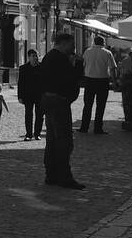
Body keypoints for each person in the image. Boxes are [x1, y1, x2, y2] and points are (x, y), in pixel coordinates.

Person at [39, 32, 84, 189]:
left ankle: (51, 175)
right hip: (59, 101)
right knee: (64, 140)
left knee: (52, 140)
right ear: (63, 43)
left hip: (49, 100)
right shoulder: (60, 59)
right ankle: (64, 177)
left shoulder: (48, 57)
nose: (73, 48)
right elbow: (72, 78)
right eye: (72, 45)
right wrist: (78, 64)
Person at [79, 34, 116, 134]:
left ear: (94, 42)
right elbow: (112, 68)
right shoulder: (107, 53)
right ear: (103, 43)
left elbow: (83, 65)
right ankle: (98, 128)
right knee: (101, 106)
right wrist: (115, 82)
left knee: (87, 105)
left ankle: (84, 127)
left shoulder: (87, 51)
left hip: (89, 80)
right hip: (102, 81)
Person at [17, 49, 43, 140]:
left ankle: (37, 133)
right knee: (28, 114)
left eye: (36, 55)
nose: (35, 57)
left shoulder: (42, 67)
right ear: (29, 57)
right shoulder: (24, 68)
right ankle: (28, 134)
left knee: (39, 115)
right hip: (28, 95)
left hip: (40, 95)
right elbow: (20, 83)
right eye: (33, 56)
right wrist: (20, 96)